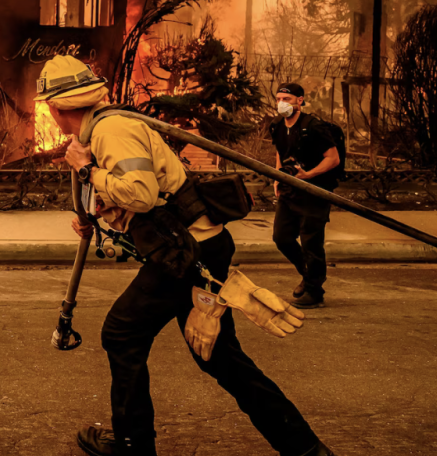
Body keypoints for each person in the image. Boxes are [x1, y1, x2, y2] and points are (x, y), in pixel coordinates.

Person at [36, 56, 336, 456]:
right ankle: (305, 449)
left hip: (187, 252)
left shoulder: (111, 131)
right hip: (193, 247)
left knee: (121, 333)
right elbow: (136, 192)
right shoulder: (102, 130)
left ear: (54, 109)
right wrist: (95, 213)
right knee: (220, 359)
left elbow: (140, 195)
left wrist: (88, 170)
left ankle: (133, 445)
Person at [269, 83, 341, 309]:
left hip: (314, 191)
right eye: (279, 98)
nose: (282, 103)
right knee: (282, 238)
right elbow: (281, 153)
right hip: (289, 190)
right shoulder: (277, 125)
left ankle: (314, 291)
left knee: (311, 242)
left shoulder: (314, 126)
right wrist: (277, 177)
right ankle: (310, 278)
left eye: (287, 99)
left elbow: (333, 158)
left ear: (300, 100)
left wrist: (308, 175)